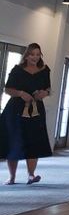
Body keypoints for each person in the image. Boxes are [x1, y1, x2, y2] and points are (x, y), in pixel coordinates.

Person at [0, 43, 52, 185]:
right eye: (32, 54)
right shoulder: (17, 70)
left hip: (35, 109)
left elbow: (48, 88)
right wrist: (21, 93)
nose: (34, 57)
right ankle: (12, 177)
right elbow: (7, 89)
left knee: (33, 141)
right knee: (14, 141)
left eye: (37, 54)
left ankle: (31, 175)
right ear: (26, 55)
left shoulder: (44, 70)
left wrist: (44, 93)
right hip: (16, 109)